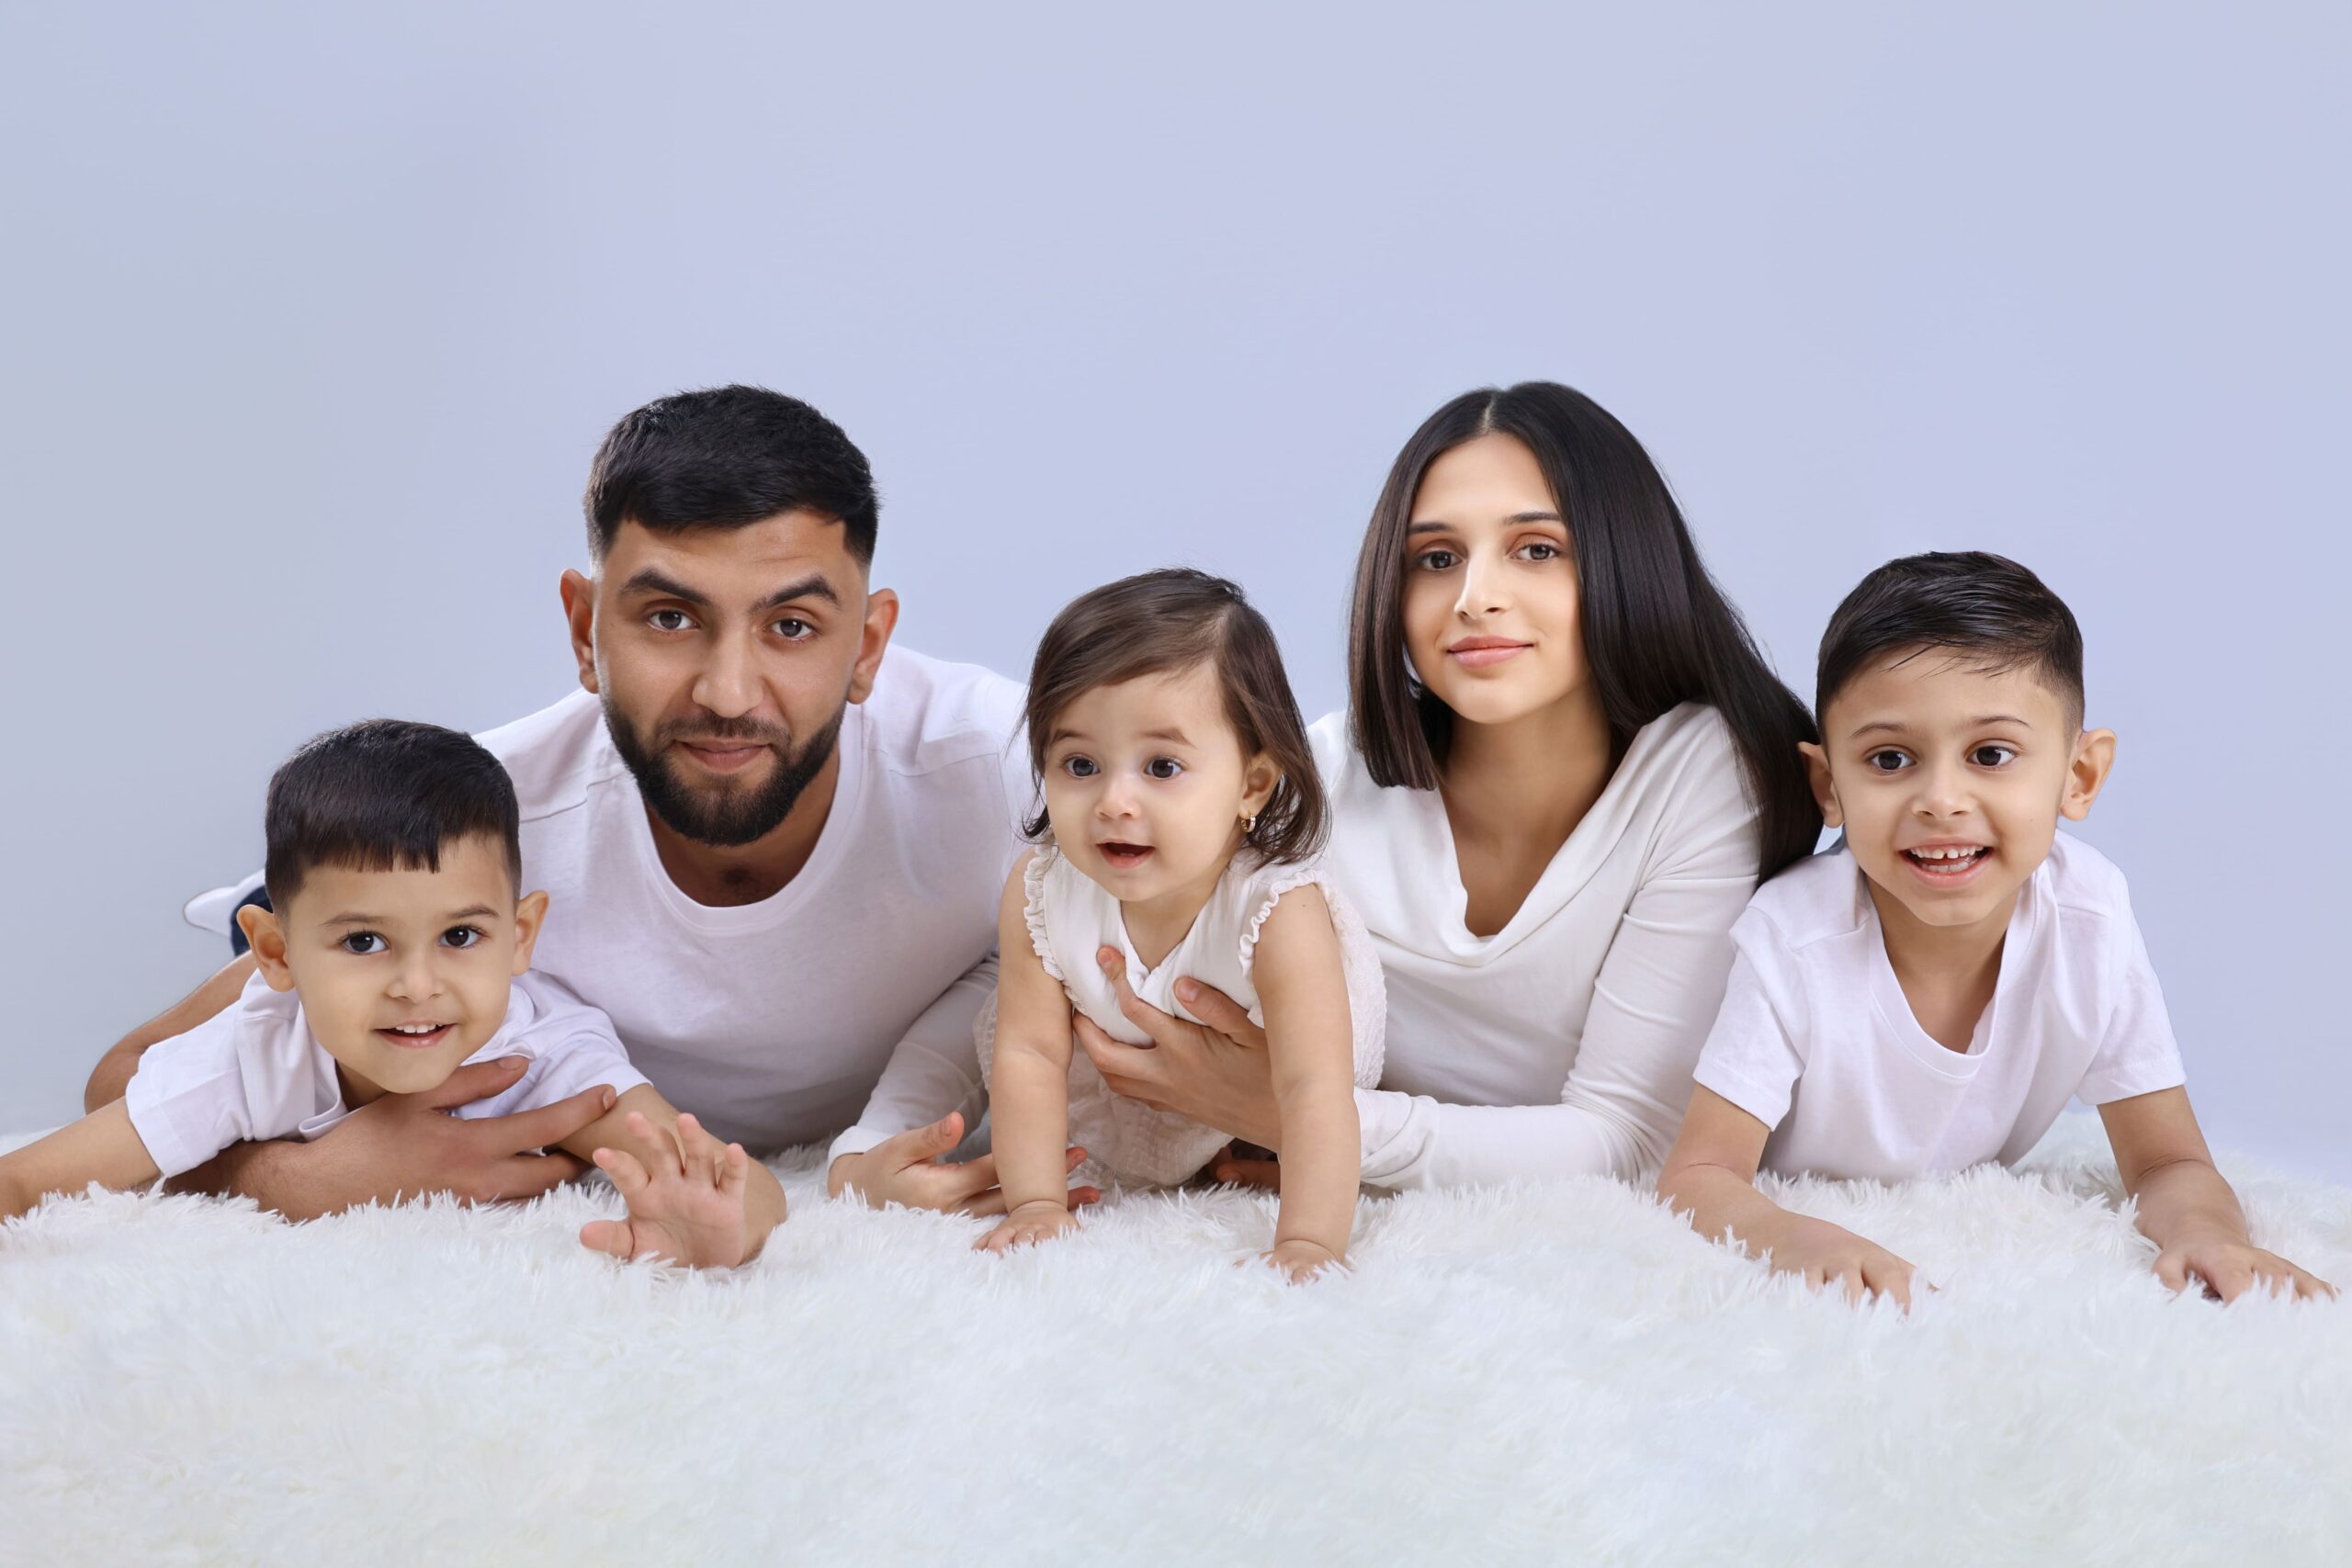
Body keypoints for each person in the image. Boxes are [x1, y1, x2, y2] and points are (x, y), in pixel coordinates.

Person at [87, 387, 1091, 1219]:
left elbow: (1239, 896)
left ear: (867, 646)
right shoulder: (475, 818)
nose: (728, 692)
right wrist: (295, 1178)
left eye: (790, 625)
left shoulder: (1012, 765)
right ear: (583, 627)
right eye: (668, 617)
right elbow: (125, 1076)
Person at [1070, 383, 1821, 1190]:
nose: (1474, 599)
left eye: (1537, 548)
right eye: (1437, 559)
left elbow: (1634, 1142)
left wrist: (1299, 1116)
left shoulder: (1704, 774)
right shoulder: (1315, 782)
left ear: (1623, 559)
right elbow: (1052, 945)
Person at [1657, 552, 2335, 1307]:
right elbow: (1698, 1176)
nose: (1941, 799)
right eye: (1889, 758)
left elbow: (2167, 1161)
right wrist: (1798, 1234)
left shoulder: (2089, 919)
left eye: (1991, 754)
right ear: (1830, 786)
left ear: (2078, 777)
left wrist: (2206, 1233)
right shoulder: (1794, 938)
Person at [8, 721, 786, 1268]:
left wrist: (723, 1229)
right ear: (282, 951)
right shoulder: (253, 1048)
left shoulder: (548, 1053)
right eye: (365, 942)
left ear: (520, 937)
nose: (419, 988)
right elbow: (30, 1174)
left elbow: (739, 1183)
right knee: (235, 993)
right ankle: (246, 922)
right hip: (271, 971)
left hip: (305, 958)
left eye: (460, 937)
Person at [974, 570, 1385, 1281]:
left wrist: (1310, 1243)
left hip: (1285, 1076)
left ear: (1251, 785)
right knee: (999, 1026)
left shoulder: (1278, 911)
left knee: (1313, 1098)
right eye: (1080, 764)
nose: (1115, 800)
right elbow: (1032, 1057)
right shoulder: (1041, 890)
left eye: (1162, 765)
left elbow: (1316, 1090)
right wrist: (1038, 1201)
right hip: (1125, 1071)